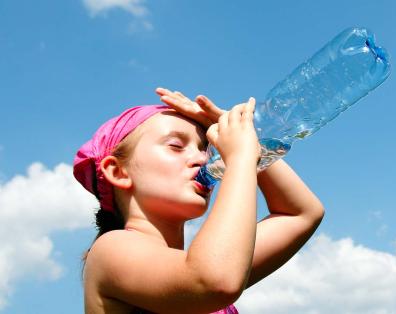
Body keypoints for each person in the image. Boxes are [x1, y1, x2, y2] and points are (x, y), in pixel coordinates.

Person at [74, 87, 325, 313]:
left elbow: (301, 214)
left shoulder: (211, 260)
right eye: (175, 146)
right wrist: (240, 157)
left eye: (205, 148)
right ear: (118, 171)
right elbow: (212, 281)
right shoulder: (111, 251)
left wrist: (248, 143)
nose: (203, 159)